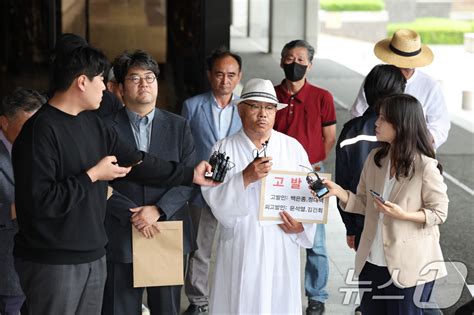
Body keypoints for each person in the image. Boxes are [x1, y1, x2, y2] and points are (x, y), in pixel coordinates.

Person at [11, 44, 214, 315]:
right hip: (54, 260)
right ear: (82, 82)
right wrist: (93, 175)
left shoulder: (93, 124)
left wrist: (190, 174)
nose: (106, 89)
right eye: (100, 81)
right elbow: (42, 202)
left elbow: (139, 161)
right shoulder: (39, 131)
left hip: (94, 254)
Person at [322, 94, 448, 314]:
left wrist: (404, 215)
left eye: (382, 118)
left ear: (401, 124)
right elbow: (364, 203)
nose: (376, 123)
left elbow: (439, 212)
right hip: (372, 262)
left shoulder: (425, 166)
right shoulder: (375, 159)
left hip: (409, 267)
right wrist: (339, 192)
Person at [201, 78, 316, 314]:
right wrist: (245, 177)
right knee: (240, 300)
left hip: (280, 241)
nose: (263, 114)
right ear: (241, 110)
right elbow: (214, 199)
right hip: (242, 241)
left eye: (269, 108)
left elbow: (312, 194)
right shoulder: (222, 150)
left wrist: (301, 226)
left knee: (279, 301)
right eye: (255, 106)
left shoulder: (292, 148)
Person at [102, 50, 196, 315]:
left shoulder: (180, 126)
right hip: (120, 230)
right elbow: (97, 179)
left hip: (165, 230)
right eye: (134, 78)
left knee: (166, 308)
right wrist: (132, 213)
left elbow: (189, 178)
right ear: (119, 88)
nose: (144, 84)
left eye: (150, 77)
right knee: (118, 308)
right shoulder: (103, 127)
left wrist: (157, 210)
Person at [273, 39, 336, 315]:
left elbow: (329, 136)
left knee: (316, 237)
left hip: (312, 173)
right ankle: (276, 288)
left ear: (310, 64)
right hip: (276, 174)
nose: (294, 64)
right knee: (275, 231)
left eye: (300, 59)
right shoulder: (271, 94)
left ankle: (317, 295)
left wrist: (313, 163)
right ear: (281, 61)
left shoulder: (322, 97)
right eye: (289, 58)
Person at [181, 49, 243, 314]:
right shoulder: (193, 106)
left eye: (231, 75)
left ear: (239, 76)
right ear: (209, 75)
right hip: (201, 190)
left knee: (238, 245)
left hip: (236, 188)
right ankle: (198, 301)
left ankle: (234, 297)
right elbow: (183, 146)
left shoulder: (246, 107)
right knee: (200, 248)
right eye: (219, 74)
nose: (225, 80)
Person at [336, 64, 406, 252]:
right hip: (404, 225)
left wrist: (350, 227)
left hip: (362, 222)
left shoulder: (351, 131)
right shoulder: (408, 129)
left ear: (366, 91)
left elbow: (342, 183)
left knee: (370, 278)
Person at [350, 29, 450, 149]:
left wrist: (413, 146)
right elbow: (357, 113)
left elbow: (440, 128)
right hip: (374, 150)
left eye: (406, 69)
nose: (401, 72)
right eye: (397, 66)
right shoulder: (377, 79)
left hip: (414, 155)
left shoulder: (430, 86)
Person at [0, 88, 44, 315]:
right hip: (8, 268)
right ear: (4, 122)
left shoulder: (44, 148)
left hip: (43, 267)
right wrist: (14, 210)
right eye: (27, 125)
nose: (33, 133)